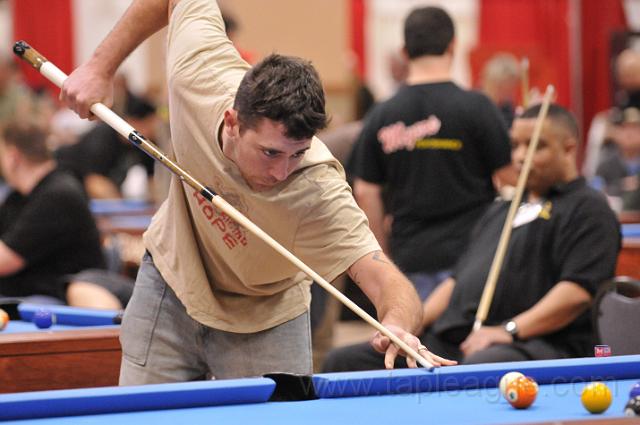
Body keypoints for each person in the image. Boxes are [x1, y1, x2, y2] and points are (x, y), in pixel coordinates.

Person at [60, 0, 453, 384]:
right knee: (143, 415)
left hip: (267, 314)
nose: (282, 172)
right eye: (270, 153)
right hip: (172, 280)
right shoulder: (200, 74)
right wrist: (100, 67)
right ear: (233, 122)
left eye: (297, 154)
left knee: (281, 415)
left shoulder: (318, 187)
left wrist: (397, 322)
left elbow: (384, 278)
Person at [323, 104, 621, 372]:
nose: (521, 156)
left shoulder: (588, 208)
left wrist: (508, 330)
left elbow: (577, 292)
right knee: (345, 361)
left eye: (536, 146)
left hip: (536, 343)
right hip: (459, 341)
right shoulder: (502, 209)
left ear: (569, 149)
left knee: (483, 363)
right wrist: (410, 326)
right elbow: (456, 282)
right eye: (515, 145)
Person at [352, 6, 513, 300]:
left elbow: (365, 192)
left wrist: (383, 258)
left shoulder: (382, 114)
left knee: (416, 331)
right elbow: (509, 177)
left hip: (410, 257)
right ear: (453, 46)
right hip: (474, 257)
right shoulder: (479, 107)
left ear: (404, 51)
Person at [0, 123, 131, 309]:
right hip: (31, 297)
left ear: (13, 156)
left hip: (63, 303)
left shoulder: (58, 194)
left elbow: (5, 261)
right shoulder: (18, 196)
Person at [55, 94, 157, 200]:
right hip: (64, 175)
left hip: (90, 190)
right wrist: (119, 204)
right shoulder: (103, 136)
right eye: (149, 124)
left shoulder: (145, 145)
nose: (154, 129)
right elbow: (94, 182)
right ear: (132, 122)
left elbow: (151, 181)